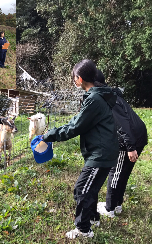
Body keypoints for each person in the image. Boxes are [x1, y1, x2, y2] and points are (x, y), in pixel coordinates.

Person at [43, 59, 119, 239]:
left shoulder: (94, 98)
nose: (74, 81)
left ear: (80, 78)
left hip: (101, 153)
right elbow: (78, 120)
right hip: (103, 151)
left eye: (74, 77)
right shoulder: (96, 96)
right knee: (90, 188)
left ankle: (83, 229)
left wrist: (49, 135)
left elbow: (75, 127)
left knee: (81, 189)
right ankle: (92, 218)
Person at [94, 70, 148, 217]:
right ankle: (117, 204)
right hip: (139, 134)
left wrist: (130, 147)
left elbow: (121, 123)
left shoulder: (106, 97)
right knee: (123, 172)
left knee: (115, 172)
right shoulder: (112, 93)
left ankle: (109, 208)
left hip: (128, 140)